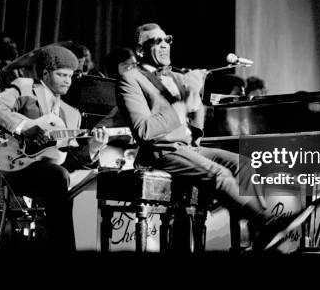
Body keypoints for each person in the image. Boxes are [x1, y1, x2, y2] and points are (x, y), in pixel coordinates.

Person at [116, 23, 302, 251]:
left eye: (167, 40)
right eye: (156, 42)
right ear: (141, 50)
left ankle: (258, 232)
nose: (164, 45)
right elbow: (143, 131)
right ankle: (265, 222)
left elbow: (195, 116)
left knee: (243, 165)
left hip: (187, 148)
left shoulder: (176, 76)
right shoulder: (130, 79)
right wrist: (185, 101)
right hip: (161, 151)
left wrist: (196, 94)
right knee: (219, 173)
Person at [0, 45, 108, 250]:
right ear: (46, 73)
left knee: (82, 175)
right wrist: (24, 127)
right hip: (14, 165)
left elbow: (69, 160)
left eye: (71, 76)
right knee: (57, 176)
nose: (68, 80)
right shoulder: (25, 87)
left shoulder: (72, 114)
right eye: (62, 74)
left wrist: (94, 147)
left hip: (47, 173)